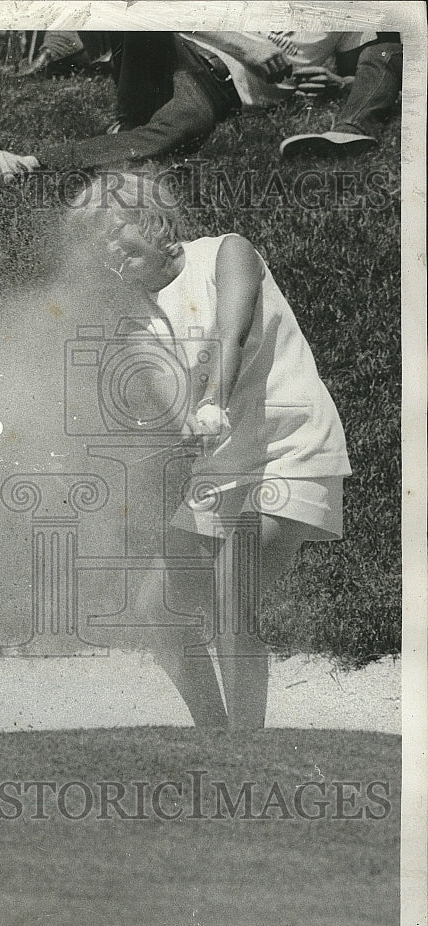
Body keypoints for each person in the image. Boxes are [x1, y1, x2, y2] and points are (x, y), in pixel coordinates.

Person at [69, 171, 352, 729]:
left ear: (149, 219)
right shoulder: (135, 322)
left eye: (112, 229)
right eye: (93, 242)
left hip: (291, 450)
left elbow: (233, 332)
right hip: (221, 470)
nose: (106, 250)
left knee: (230, 598)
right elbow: (178, 414)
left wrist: (215, 398)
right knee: (156, 611)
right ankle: (212, 737)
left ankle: (244, 747)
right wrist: (181, 425)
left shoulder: (228, 253)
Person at [0, 29, 381, 178]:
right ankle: (60, 50)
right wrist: (246, 46)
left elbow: (356, 73)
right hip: (179, 50)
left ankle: (33, 164)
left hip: (216, 93)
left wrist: (336, 83)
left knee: (177, 130)